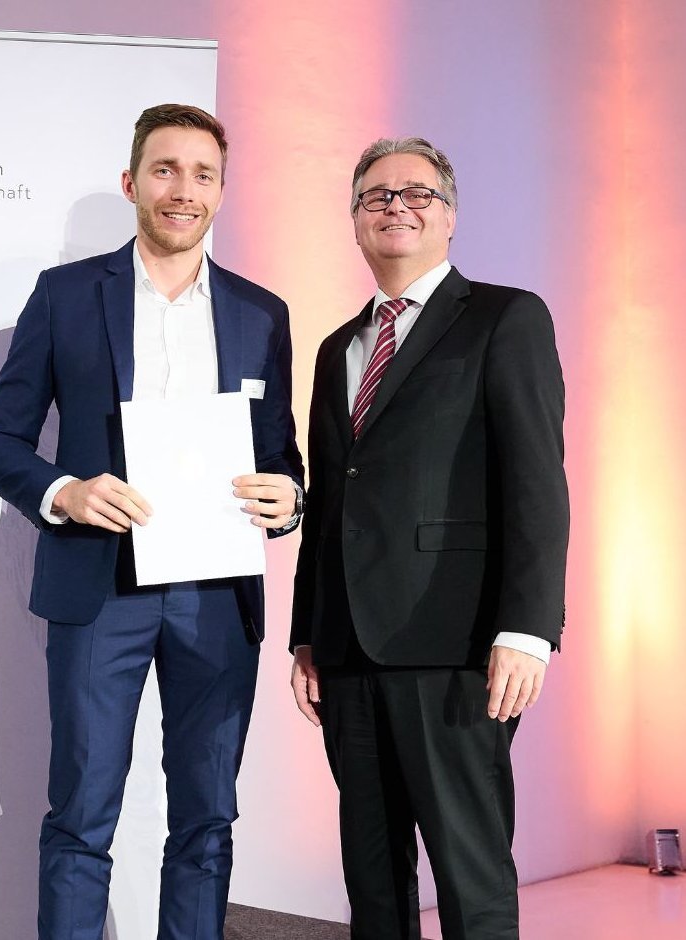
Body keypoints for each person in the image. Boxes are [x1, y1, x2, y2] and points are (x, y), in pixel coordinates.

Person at [0, 103, 304, 940]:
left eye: (202, 174)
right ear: (132, 182)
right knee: (81, 815)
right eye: (165, 170)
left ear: (222, 190)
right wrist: (64, 492)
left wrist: (290, 499)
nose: (183, 189)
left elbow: (282, 455)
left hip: (217, 594)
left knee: (207, 817)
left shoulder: (262, 313)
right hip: (99, 588)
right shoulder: (65, 296)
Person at [289, 137, 569, 940]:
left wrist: (527, 629)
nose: (395, 206)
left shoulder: (506, 317)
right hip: (348, 654)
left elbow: (536, 482)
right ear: (355, 221)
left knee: (469, 877)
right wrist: (309, 634)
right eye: (375, 196)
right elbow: (333, 499)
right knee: (373, 883)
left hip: (456, 646)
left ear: (450, 216)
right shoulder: (338, 347)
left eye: (417, 193)